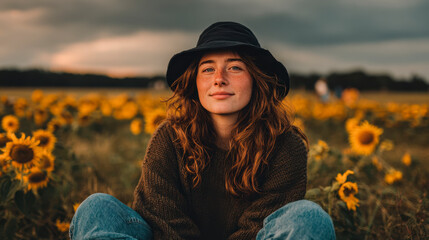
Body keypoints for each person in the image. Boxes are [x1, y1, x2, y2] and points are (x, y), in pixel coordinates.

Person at [70, 21, 336, 240]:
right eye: (208, 69)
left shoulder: (285, 147)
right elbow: (163, 222)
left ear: (258, 80)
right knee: (97, 208)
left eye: (234, 67)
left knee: (308, 218)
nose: (219, 78)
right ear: (194, 83)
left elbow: (259, 227)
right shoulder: (169, 139)